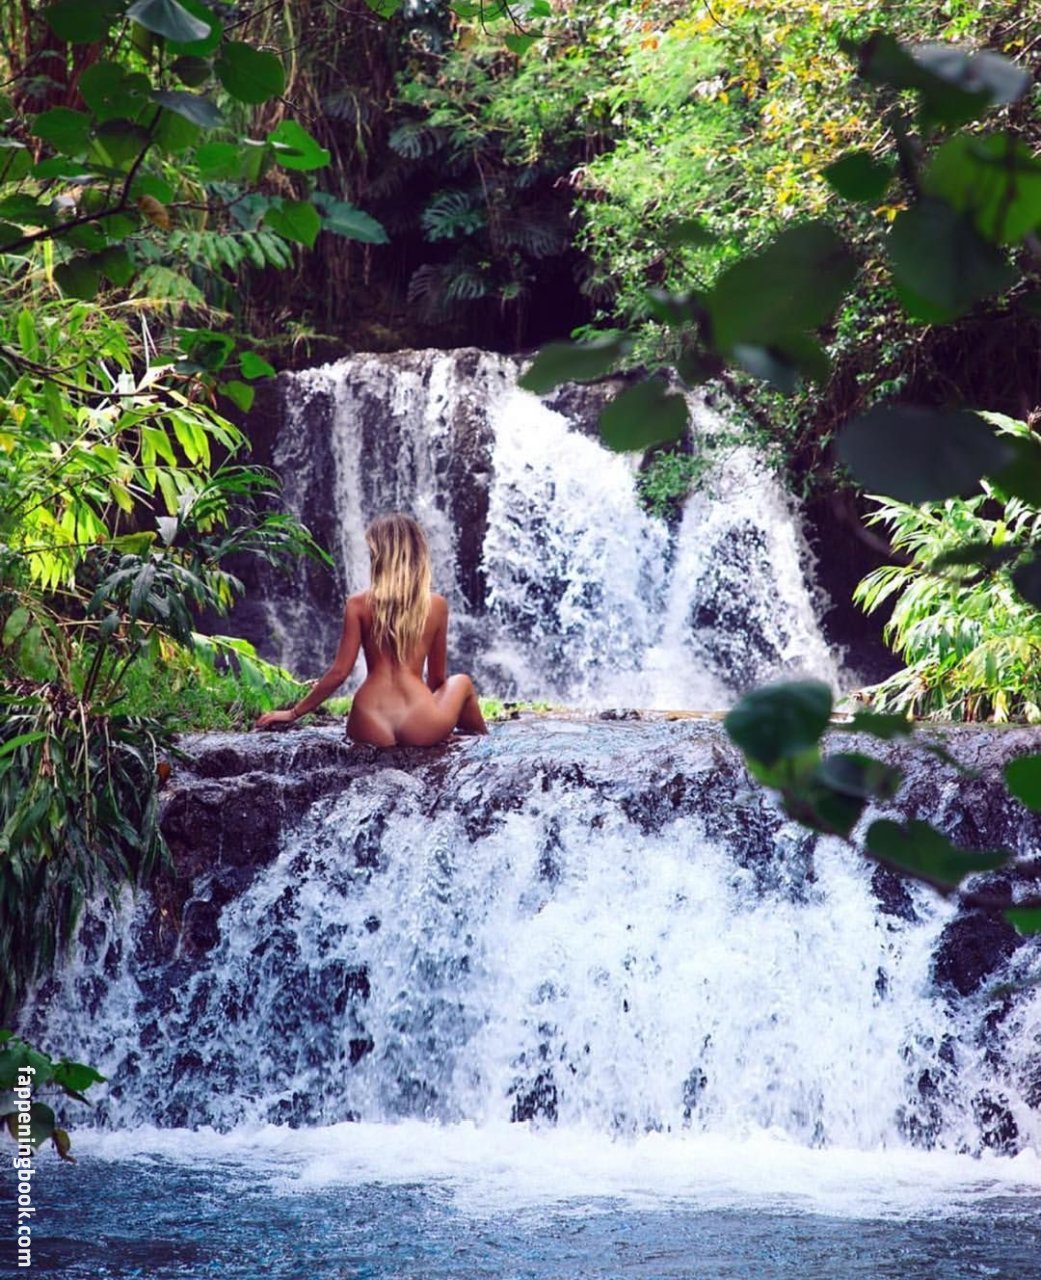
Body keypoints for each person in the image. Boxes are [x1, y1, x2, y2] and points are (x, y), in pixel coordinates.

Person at [256, 512, 487, 747]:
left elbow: (339, 672)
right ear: (418, 555)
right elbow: (437, 679)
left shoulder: (357, 604)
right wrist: (435, 723)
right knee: (462, 681)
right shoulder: (436, 605)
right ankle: (483, 745)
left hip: (368, 719)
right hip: (420, 719)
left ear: (379, 556)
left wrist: (293, 713)